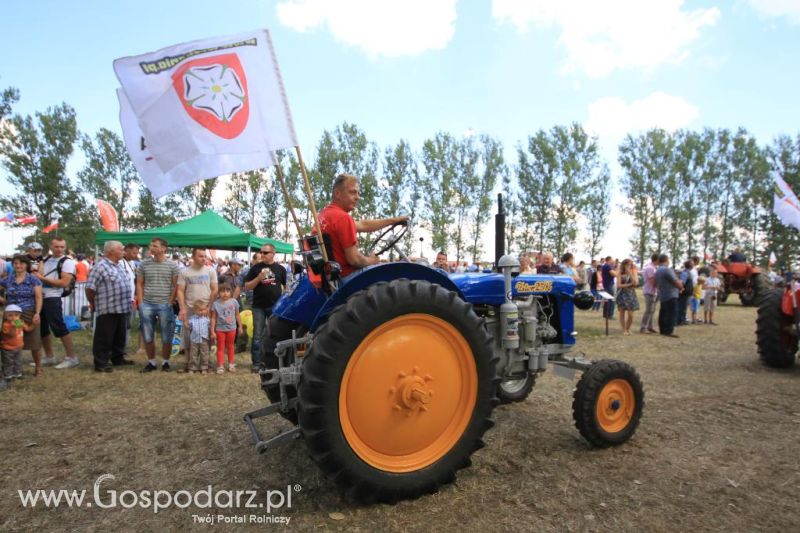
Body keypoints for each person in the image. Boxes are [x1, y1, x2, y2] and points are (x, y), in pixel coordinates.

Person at [85, 241, 133, 372]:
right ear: (111, 251)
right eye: (121, 249)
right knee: (104, 337)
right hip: (107, 307)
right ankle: (101, 363)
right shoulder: (100, 266)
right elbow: (90, 288)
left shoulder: (118, 266)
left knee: (119, 336)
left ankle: (117, 358)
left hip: (121, 307)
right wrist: (93, 302)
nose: (123, 252)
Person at [34, 237, 79, 369]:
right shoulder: (46, 259)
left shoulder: (67, 262)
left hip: (53, 298)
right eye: (56, 247)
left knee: (59, 327)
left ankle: (72, 357)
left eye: (62, 247)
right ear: (51, 247)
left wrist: (42, 278)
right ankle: (49, 356)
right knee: (42, 329)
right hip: (40, 298)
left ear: (65, 247)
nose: (59, 249)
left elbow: (64, 283)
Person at [137, 238, 179, 373]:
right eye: (151, 245)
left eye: (155, 245)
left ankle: (166, 362)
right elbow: (139, 283)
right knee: (148, 335)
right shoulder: (144, 264)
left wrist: (170, 301)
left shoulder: (173, 265)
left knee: (167, 335)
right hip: (147, 304)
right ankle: (151, 362)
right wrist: (141, 302)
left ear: (163, 248)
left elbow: (176, 285)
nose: (151, 247)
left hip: (164, 305)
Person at [243, 244, 286, 370]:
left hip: (275, 306)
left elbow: (287, 286)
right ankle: (256, 363)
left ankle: (273, 362)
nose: (262, 255)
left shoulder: (280, 269)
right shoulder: (255, 268)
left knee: (275, 334)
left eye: (265, 252)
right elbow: (247, 287)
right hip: (258, 307)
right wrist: (258, 278)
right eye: (261, 252)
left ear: (273, 253)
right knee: (257, 335)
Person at [177, 248, 218, 372]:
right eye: (201, 256)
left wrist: (209, 306)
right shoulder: (185, 272)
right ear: (193, 257)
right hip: (190, 309)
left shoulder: (211, 271)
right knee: (188, 337)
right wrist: (182, 309)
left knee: (207, 337)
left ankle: (207, 363)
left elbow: (215, 289)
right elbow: (180, 290)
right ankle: (188, 363)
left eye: (205, 256)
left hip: (206, 309)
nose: (204, 258)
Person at [1, 255, 43, 375]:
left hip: (27, 313)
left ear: (27, 265)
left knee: (34, 341)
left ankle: (38, 367)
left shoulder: (33, 279)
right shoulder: (8, 279)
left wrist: (37, 313)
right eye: (15, 263)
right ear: (12, 265)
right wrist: (3, 300)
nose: (18, 266)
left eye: (21, 263)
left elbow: (38, 297)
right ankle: (8, 369)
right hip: (10, 315)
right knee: (8, 341)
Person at [211, 283, 242, 373]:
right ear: (219, 293)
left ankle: (231, 364)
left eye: (227, 291)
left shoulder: (234, 302)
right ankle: (220, 365)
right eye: (222, 291)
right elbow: (213, 318)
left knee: (231, 346)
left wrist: (240, 326)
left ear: (230, 292)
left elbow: (237, 315)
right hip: (220, 329)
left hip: (232, 329)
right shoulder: (215, 304)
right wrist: (212, 331)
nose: (225, 293)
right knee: (220, 347)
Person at [1, 304, 34, 383]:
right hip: (8, 348)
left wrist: (34, 324)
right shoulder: (6, 325)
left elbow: (28, 329)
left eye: (16, 315)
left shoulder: (20, 322)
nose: (13, 317)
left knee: (18, 361)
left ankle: (17, 374)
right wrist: (13, 327)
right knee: (8, 362)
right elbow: (11, 335)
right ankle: (8, 376)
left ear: (20, 316)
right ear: (5, 316)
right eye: (10, 315)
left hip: (18, 347)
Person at [655, 254, 683, 337]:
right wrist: (681, 287)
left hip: (663, 293)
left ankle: (663, 329)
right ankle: (669, 331)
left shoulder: (658, 270)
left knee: (663, 312)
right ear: (666, 260)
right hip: (671, 294)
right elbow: (675, 281)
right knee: (671, 313)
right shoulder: (667, 270)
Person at [121, 243, 141, 356]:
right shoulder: (120, 263)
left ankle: (124, 348)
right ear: (126, 251)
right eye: (134, 252)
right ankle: (120, 348)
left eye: (137, 253)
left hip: (131, 299)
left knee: (128, 325)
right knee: (123, 325)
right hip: (123, 300)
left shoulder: (132, 263)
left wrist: (136, 296)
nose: (135, 255)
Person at [615, 259, 640, 335]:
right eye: (628, 264)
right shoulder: (620, 272)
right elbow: (619, 285)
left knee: (630, 314)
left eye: (631, 264)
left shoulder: (634, 271)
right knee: (622, 312)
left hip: (631, 294)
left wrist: (630, 273)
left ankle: (628, 328)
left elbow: (635, 283)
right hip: (622, 294)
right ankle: (624, 329)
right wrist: (629, 285)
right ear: (624, 265)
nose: (629, 266)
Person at [186, 302, 211, 374]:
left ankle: (204, 367)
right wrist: (185, 323)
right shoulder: (191, 319)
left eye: (203, 310)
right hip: (194, 339)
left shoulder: (207, 319)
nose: (202, 312)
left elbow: (210, 327)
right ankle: (192, 368)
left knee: (204, 354)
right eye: (200, 310)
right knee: (193, 354)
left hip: (204, 339)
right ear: (195, 311)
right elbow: (189, 327)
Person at [639, 253, 659, 334]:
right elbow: (652, 281)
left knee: (652, 310)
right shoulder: (650, 268)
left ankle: (649, 326)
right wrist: (659, 286)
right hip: (649, 291)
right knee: (648, 310)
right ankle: (643, 327)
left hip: (652, 291)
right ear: (657, 260)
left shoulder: (653, 268)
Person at [677, 260, 695, 326]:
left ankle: (683, 319)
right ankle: (679, 321)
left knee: (684, 307)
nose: (693, 265)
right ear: (689, 265)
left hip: (687, 293)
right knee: (681, 307)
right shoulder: (685, 273)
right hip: (684, 293)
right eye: (692, 264)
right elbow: (682, 282)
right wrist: (681, 289)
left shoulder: (688, 272)